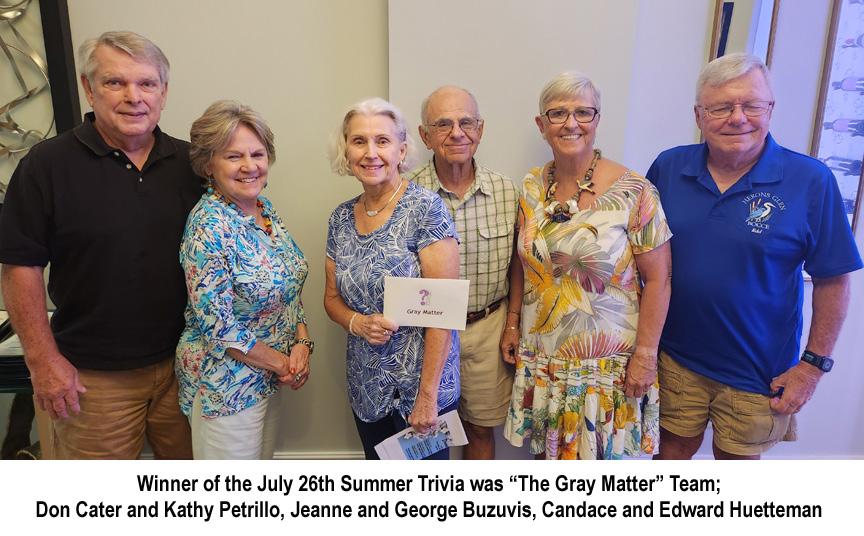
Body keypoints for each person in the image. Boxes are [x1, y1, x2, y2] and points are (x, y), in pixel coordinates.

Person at [647, 53, 863, 460]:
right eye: (720, 107)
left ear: (770, 109)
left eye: (751, 105)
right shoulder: (668, 168)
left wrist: (812, 367)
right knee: (669, 455)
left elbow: (834, 280)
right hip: (675, 360)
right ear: (698, 115)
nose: (738, 118)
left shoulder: (810, 180)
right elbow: (643, 259)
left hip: (758, 373)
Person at [0, 31, 200, 459]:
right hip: (92, 379)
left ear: (163, 92)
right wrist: (43, 361)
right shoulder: (46, 166)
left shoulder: (193, 165)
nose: (133, 97)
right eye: (115, 82)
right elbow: (19, 267)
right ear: (89, 89)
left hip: (186, 368)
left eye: (147, 83)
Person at [502, 72, 672, 460]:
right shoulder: (531, 185)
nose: (571, 123)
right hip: (543, 360)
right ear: (541, 124)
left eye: (583, 112)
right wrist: (512, 322)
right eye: (558, 113)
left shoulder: (635, 191)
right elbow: (522, 262)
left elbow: (659, 279)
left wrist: (646, 355)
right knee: (547, 460)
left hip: (605, 366)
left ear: (597, 119)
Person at [325, 98, 461, 460]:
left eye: (382, 141)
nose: (371, 153)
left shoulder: (427, 209)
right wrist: (356, 322)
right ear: (346, 151)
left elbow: (444, 313)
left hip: (421, 391)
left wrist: (427, 397)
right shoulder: (340, 219)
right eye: (359, 141)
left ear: (401, 150)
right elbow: (331, 299)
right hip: (368, 388)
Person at [176, 101, 310, 459]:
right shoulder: (208, 225)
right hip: (226, 386)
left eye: (257, 154)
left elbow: (289, 287)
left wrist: (302, 342)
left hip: (268, 375)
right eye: (234, 156)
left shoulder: (264, 210)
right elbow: (219, 327)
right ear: (209, 165)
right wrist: (283, 363)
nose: (249, 166)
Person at [408, 86, 518, 460]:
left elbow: (518, 265)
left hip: (487, 329)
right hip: (424, 333)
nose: (457, 133)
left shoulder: (506, 191)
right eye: (443, 124)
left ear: (480, 130)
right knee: (424, 432)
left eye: (466, 122)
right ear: (425, 136)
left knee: (480, 430)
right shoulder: (406, 194)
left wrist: (513, 323)